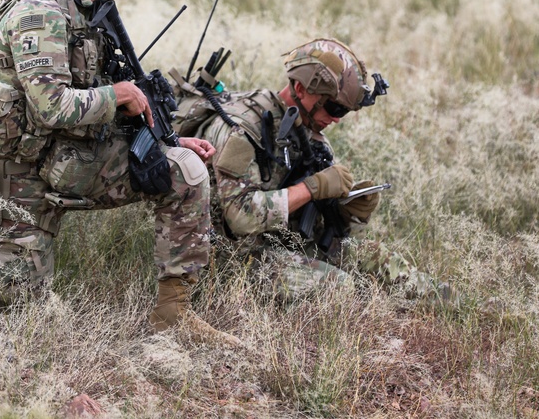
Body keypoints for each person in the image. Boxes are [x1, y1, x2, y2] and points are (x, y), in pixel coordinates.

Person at [0, 0, 239, 345]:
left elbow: (93, 103)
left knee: (185, 170)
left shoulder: (85, 11)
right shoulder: (43, 13)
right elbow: (53, 106)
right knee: (8, 305)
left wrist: (168, 140)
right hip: (23, 176)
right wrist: (119, 94)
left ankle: (173, 313)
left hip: (68, 159)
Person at [174, 38, 450, 302]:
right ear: (301, 88)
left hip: (282, 241)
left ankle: (454, 302)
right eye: (333, 108)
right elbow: (240, 218)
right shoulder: (243, 129)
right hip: (235, 254)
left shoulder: (309, 132)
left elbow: (311, 219)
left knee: (376, 257)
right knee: (340, 288)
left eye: (343, 112)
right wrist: (311, 188)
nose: (335, 119)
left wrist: (346, 207)